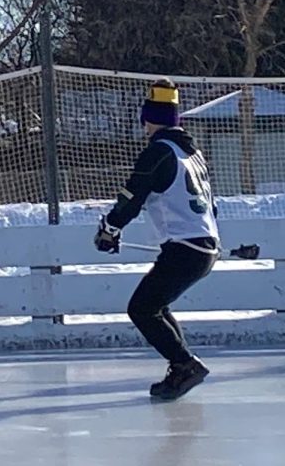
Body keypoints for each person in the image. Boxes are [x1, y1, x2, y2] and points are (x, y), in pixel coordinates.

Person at [94, 78, 219, 401]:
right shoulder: (190, 152)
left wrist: (110, 228)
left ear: (150, 118)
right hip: (203, 244)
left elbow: (132, 197)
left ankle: (184, 364)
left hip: (185, 247)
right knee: (155, 306)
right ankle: (181, 366)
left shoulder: (158, 152)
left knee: (142, 308)